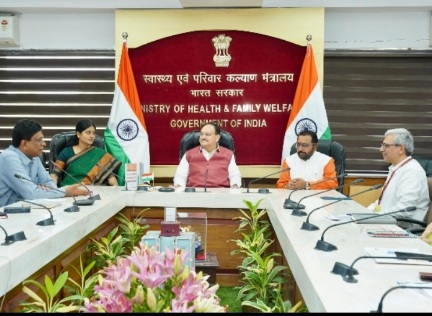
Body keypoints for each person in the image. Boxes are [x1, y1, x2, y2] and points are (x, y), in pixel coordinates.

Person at [0, 119, 89, 207]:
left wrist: (44, 189)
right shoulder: (9, 158)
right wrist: (64, 191)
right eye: (39, 140)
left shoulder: (34, 156)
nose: (44, 144)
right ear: (24, 144)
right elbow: (32, 194)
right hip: (8, 215)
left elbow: (48, 182)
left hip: (29, 210)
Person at [367, 128, 429, 222]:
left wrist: (375, 216)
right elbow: (383, 203)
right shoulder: (396, 168)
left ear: (401, 149)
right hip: (389, 221)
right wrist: (365, 212)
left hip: (404, 226)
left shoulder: (411, 171)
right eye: (382, 145)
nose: (381, 149)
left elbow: (405, 210)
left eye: (386, 146)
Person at [50, 119, 121, 186]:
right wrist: (52, 186)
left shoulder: (99, 153)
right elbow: (55, 173)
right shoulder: (67, 152)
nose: (92, 136)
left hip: (93, 192)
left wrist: (116, 190)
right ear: (78, 134)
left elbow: (110, 177)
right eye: (88, 133)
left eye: (93, 133)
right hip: (70, 191)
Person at [173, 122, 241, 188]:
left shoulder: (228, 154)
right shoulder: (189, 154)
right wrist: (179, 187)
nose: (203, 137)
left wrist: (235, 187)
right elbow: (180, 177)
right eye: (201, 134)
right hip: (194, 195)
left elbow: (234, 175)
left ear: (217, 137)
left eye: (207, 134)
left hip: (221, 195)